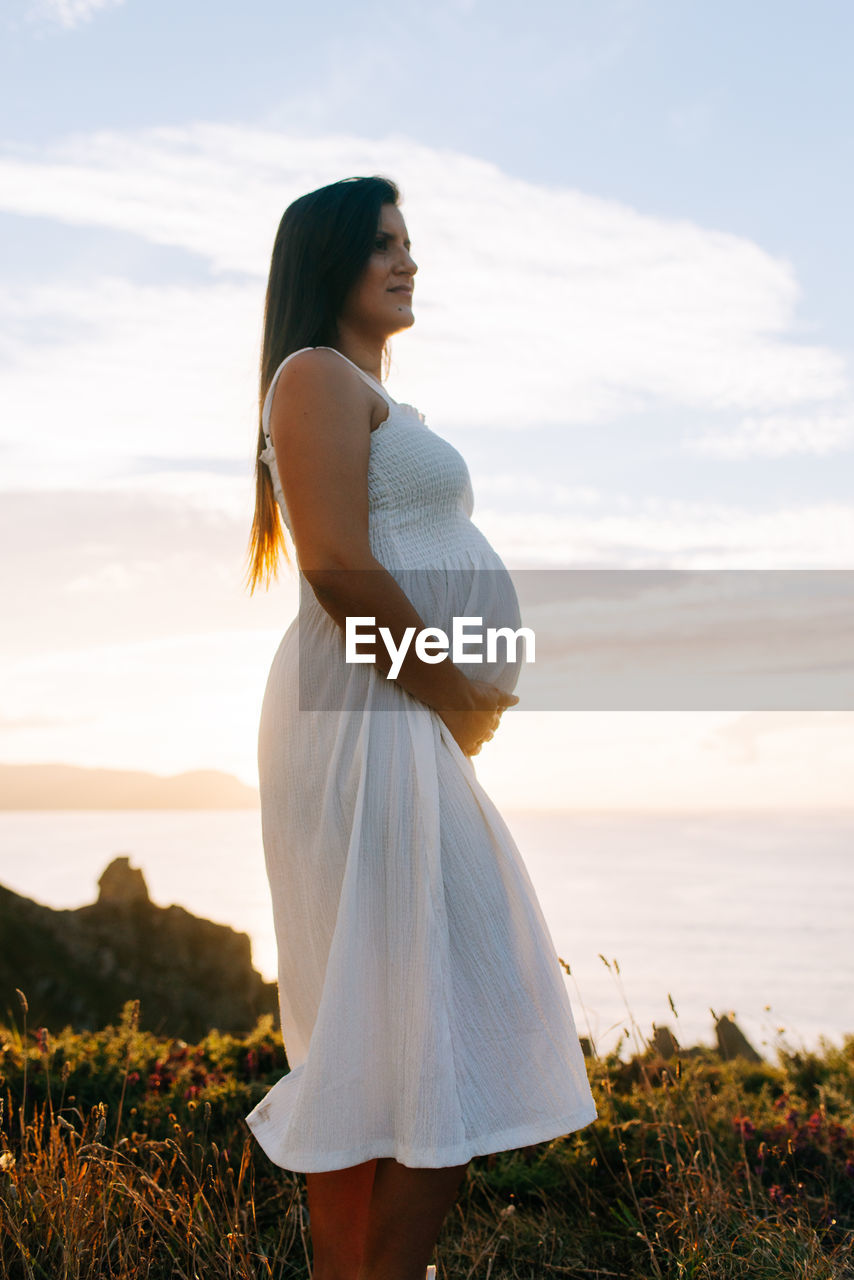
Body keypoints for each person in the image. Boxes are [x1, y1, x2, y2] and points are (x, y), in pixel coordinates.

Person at [243, 175, 597, 1280]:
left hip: (399, 719)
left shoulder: (369, 394)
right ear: (328, 262)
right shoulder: (311, 377)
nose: (406, 261)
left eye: (408, 241)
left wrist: (454, 701)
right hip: (364, 721)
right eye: (381, 244)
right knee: (450, 1019)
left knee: (389, 1036)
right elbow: (338, 570)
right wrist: (454, 692)